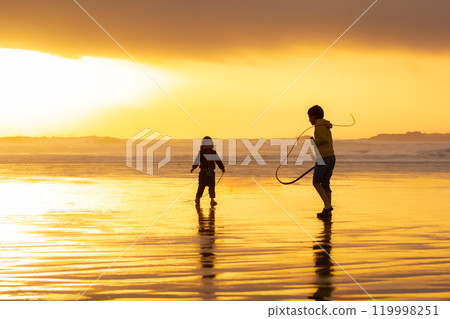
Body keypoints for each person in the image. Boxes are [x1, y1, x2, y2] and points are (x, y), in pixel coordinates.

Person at [308, 105, 336, 218]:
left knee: (316, 182)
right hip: (331, 157)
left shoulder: (319, 125)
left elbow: (322, 140)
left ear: (314, 116)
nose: (309, 119)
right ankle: (327, 210)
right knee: (325, 183)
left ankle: (327, 206)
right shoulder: (325, 125)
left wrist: (313, 141)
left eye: (309, 117)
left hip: (324, 157)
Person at [191, 136, 225, 206]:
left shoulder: (213, 152)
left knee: (212, 186)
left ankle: (212, 200)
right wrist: (193, 167)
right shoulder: (202, 152)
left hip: (211, 172)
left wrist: (222, 168)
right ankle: (198, 198)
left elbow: (218, 161)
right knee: (201, 186)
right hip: (203, 172)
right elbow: (197, 160)